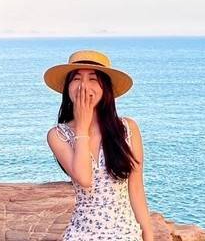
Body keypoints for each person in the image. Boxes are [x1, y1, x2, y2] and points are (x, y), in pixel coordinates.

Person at [44, 50, 154, 241]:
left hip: (124, 233)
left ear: (105, 89)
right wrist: (82, 127)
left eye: (93, 79)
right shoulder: (58, 135)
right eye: (76, 78)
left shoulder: (128, 128)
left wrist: (148, 235)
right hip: (82, 234)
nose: (84, 86)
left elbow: (136, 188)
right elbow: (84, 179)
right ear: (68, 87)